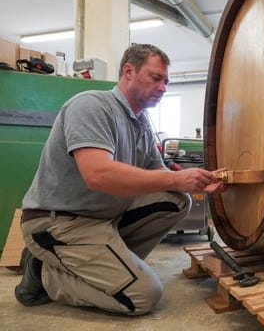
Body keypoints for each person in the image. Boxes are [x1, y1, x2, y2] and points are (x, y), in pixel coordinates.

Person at [15, 43, 226, 315]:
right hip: (59, 223)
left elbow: (161, 175)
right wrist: (176, 180)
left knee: (176, 200)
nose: (163, 87)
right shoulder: (91, 106)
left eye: (166, 81)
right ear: (128, 71)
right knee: (143, 296)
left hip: (103, 219)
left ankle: (109, 267)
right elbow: (98, 175)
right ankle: (45, 274)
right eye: (156, 78)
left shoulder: (142, 123)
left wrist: (197, 181)